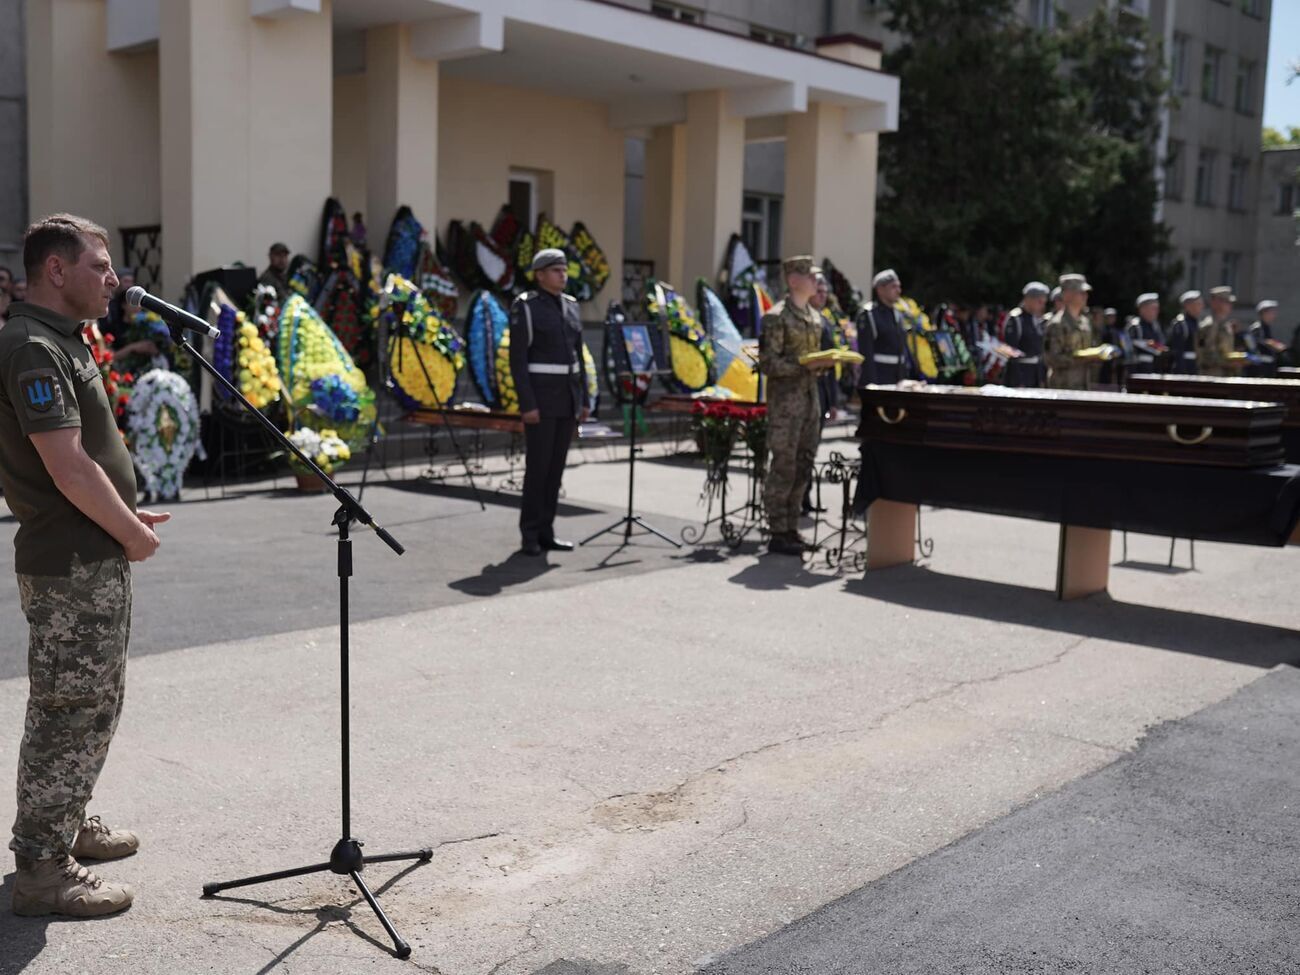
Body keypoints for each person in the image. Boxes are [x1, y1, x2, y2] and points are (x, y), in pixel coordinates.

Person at [1, 214, 170, 918]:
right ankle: (41, 864)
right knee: (67, 708)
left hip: (90, 553)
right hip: (70, 561)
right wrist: (129, 529)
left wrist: (124, 520)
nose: (114, 278)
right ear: (56, 271)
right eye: (99, 265)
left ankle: (66, 820)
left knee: (96, 701)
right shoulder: (33, 347)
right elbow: (66, 466)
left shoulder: (61, 339)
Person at [508, 248, 590, 557]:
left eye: (564, 269)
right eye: (556, 270)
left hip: (566, 401)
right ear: (539, 275)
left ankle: (547, 532)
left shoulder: (571, 307)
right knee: (538, 470)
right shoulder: (526, 307)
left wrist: (582, 400)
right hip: (540, 402)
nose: (562, 275)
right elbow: (518, 360)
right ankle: (529, 534)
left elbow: (578, 358)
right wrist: (527, 404)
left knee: (555, 472)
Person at [759, 256, 834, 556]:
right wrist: (804, 365)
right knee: (784, 466)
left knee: (804, 465)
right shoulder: (776, 317)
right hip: (785, 405)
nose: (816, 280)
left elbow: (813, 362)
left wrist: (825, 364)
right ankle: (777, 530)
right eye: (808, 275)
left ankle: (793, 528)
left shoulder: (815, 318)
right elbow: (768, 362)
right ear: (792, 281)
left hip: (809, 401)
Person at [856, 269, 914, 385]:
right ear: (880, 290)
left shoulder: (898, 314)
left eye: (899, 287)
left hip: (898, 382)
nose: (899, 291)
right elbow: (866, 353)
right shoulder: (869, 315)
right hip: (879, 381)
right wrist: (872, 386)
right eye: (893, 287)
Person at [1044, 273, 1093, 389]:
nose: (1085, 296)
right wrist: (1080, 359)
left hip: (1083, 384)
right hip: (1062, 387)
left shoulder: (1084, 322)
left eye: (1085, 293)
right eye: (1080, 292)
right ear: (1067, 295)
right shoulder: (1056, 324)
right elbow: (1051, 359)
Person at [1002, 281, 1049, 388]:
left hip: (1035, 374)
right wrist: (1018, 380)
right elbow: (1011, 351)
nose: (1042, 306)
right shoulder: (1016, 319)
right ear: (1028, 299)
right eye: (1039, 302)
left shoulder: (1036, 319)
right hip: (1020, 375)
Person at [1196, 285, 1237, 378]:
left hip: (1226, 375)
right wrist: (1227, 363)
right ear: (1215, 302)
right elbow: (1202, 354)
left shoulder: (1226, 325)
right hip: (1211, 377)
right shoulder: (1207, 326)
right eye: (1226, 302)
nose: (1230, 306)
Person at [1127, 293, 1166, 375]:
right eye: (1153, 308)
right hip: (1139, 369)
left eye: (1157, 308)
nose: (1157, 312)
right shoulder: (1136, 327)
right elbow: (1130, 350)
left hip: (1154, 369)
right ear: (1142, 309)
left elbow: (1161, 346)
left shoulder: (1156, 327)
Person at [1242, 299, 1280, 377]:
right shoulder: (1256, 328)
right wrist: (1269, 343)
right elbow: (1252, 347)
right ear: (1264, 313)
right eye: (1271, 312)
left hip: (1268, 367)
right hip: (1259, 369)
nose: (1274, 315)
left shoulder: (1266, 327)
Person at [1167, 290, 1202, 374]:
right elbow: (1177, 350)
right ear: (1188, 306)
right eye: (1198, 304)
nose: (1201, 306)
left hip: (1195, 367)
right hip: (1185, 368)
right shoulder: (1181, 324)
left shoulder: (1197, 324)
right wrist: (1181, 372)